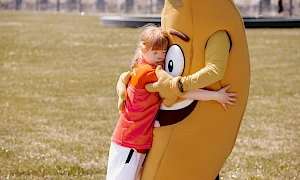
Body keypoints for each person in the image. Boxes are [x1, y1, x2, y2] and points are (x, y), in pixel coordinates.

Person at [107, 24, 237, 180]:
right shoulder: (147, 72)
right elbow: (180, 90)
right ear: (143, 49)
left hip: (136, 141)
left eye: (163, 52)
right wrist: (216, 96)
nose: (160, 57)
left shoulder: (142, 67)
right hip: (129, 142)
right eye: (155, 52)